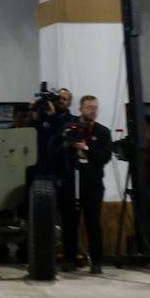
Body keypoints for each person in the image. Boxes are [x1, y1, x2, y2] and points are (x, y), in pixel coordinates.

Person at [59, 96, 113, 273]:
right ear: (81, 109)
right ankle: (70, 259)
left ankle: (96, 262)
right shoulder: (69, 128)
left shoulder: (103, 132)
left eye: (96, 107)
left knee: (93, 223)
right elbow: (59, 150)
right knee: (69, 223)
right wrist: (68, 142)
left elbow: (105, 156)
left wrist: (86, 149)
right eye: (89, 107)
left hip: (93, 183)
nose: (93, 111)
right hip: (72, 183)